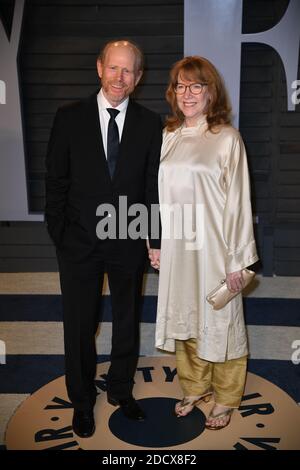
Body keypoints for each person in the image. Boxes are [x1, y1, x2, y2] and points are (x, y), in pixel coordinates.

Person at [45, 39, 161, 438]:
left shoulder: (150, 123)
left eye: (128, 71)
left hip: (128, 237)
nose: (119, 77)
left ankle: (120, 389)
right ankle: (80, 400)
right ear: (99, 68)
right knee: (80, 323)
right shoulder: (69, 117)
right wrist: (59, 234)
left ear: (138, 78)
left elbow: (151, 186)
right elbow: (56, 181)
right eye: (113, 68)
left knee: (126, 318)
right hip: (77, 242)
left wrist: (153, 236)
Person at [153, 56, 259, 430]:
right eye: (180, 86)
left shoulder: (227, 138)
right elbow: (160, 195)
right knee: (187, 314)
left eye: (196, 86)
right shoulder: (169, 135)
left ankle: (227, 396)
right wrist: (159, 242)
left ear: (211, 92)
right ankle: (195, 386)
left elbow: (239, 201)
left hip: (216, 245)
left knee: (221, 317)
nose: (187, 93)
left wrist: (238, 260)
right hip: (180, 243)